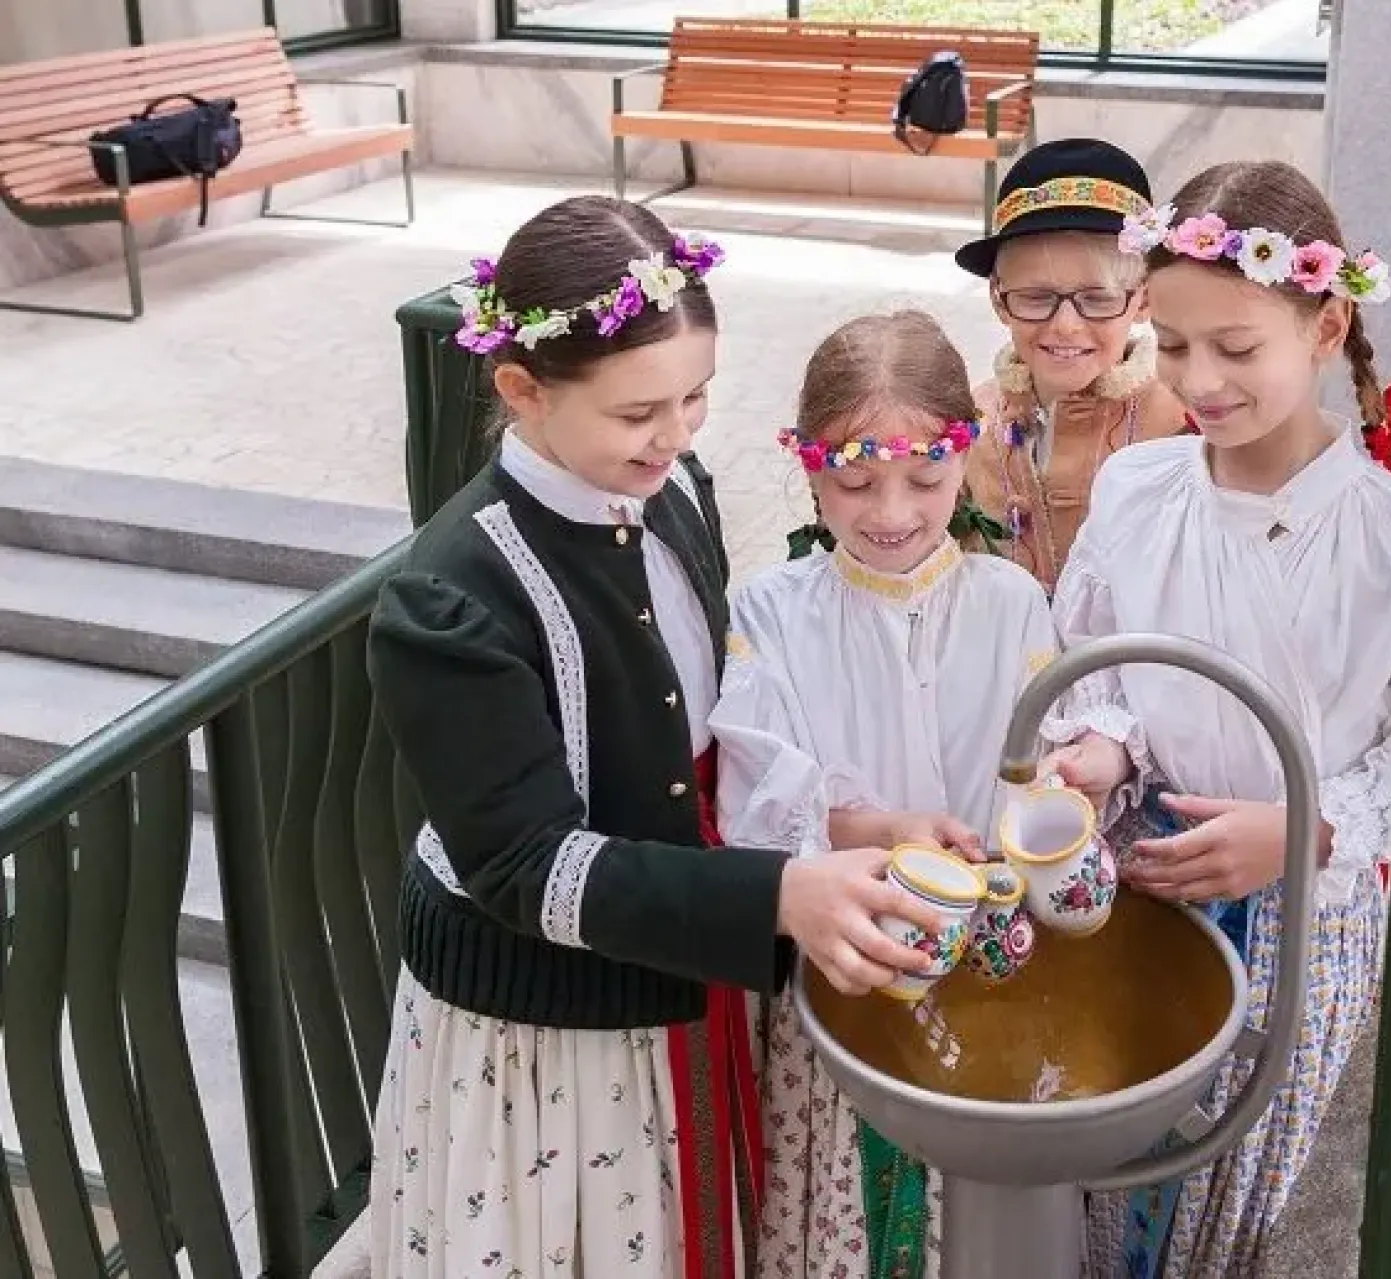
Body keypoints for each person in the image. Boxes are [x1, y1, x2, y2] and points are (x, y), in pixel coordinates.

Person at [365, 195, 943, 1279]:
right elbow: (526, 868)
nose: (676, 436)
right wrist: (775, 895)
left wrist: (842, 820)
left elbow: (711, 721)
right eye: (640, 413)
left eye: (696, 397)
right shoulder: (449, 600)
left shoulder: (674, 487)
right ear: (523, 390)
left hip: (681, 955)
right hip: (546, 1032)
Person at [1038, 161, 1391, 1277]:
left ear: (1326, 322)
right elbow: (1096, 662)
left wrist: (1305, 828)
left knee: (1245, 1193)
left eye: (1237, 346)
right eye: (1173, 344)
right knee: (1112, 1159)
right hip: (1146, 880)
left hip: (1306, 913)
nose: (1199, 380)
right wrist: (1105, 747)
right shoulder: (1138, 489)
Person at [710, 311, 1080, 1279]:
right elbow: (760, 797)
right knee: (844, 1207)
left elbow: (1041, 768)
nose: (892, 511)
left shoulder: (1012, 602)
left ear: (967, 457)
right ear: (807, 468)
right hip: (844, 968)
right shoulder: (770, 610)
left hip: (988, 969)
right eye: (855, 478)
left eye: (925, 478)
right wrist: (881, 827)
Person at [951, 138, 1190, 593]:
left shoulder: (1183, 425)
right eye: (1036, 297)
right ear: (999, 299)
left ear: (1144, 298)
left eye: (1097, 299)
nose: (1065, 326)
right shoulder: (967, 425)